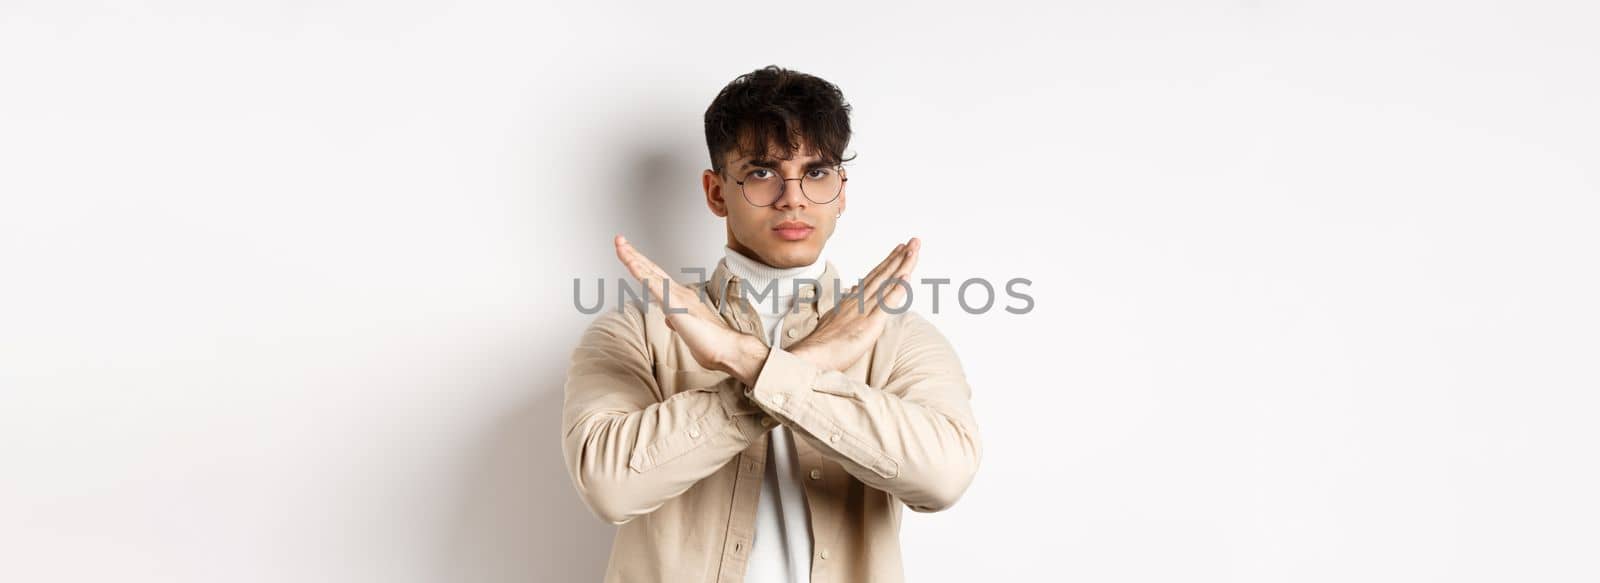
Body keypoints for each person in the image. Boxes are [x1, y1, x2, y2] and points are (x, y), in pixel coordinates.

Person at [561, 65, 982, 583]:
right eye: (762, 172)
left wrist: (747, 364)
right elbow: (609, 487)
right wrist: (805, 370)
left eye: (816, 172)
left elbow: (944, 478)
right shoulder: (633, 333)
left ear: (842, 190)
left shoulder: (897, 337)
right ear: (717, 193)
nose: (793, 198)